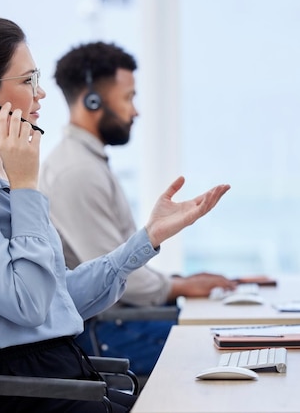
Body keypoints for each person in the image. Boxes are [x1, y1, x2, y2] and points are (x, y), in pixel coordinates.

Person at [0, 18, 230, 413]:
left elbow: (57, 299)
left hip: (51, 374)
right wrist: (26, 188)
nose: (39, 94)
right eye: (26, 81)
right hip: (12, 391)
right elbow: (29, 304)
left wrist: (147, 239)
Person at [38, 41, 236, 375]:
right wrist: (178, 286)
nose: (136, 111)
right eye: (128, 98)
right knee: (221, 347)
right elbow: (111, 276)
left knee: (230, 338)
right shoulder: (77, 172)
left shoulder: (87, 162)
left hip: (120, 323)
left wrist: (182, 281)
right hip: (107, 332)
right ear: (93, 100)